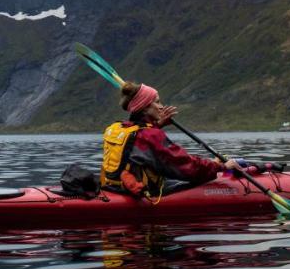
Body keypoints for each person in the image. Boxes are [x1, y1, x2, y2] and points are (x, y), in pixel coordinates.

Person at [101, 80, 240, 198]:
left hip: (115, 188)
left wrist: (157, 125)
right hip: (144, 193)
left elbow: (138, 142)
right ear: (144, 108)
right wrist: (220, 166)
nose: (161, 106)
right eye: (157, 102)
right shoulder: (151, 135)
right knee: (200, 178)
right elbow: (185, 166)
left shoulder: (116, 127)